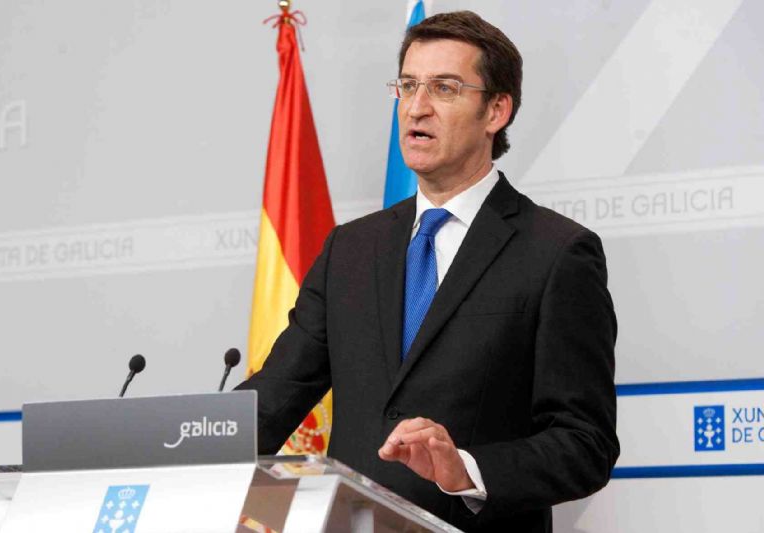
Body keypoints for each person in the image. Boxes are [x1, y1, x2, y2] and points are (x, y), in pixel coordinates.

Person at [237, 10, 619, 532]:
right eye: (408, 86)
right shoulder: (350, 249)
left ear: (496, 110)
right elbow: (275, 396)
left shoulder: (556, 253)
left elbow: (585, 442)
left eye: (444, 88)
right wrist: (173, 443)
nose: (416, 106)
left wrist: (466, 469)